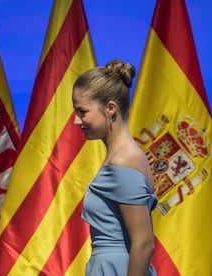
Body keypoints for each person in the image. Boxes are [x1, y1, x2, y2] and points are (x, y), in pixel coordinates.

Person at [72, 59, 158, 276]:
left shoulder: (123, 161)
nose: (76, 121)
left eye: (82, 111)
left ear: (110, 109)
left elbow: (144, 243)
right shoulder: (126, 156)